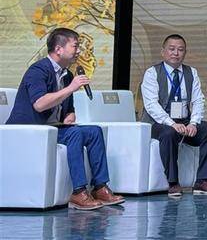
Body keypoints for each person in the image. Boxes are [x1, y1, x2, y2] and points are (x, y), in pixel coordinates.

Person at [5, 27, 125, 210]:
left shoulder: (67, 74)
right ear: (58, 49)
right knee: (75, 134)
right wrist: (71, 88)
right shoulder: (38, 70)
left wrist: (70, 115)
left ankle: (100, 187)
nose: (78, 51)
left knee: (94, 131)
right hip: (29, 130)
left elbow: (68, 109)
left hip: (52, 128)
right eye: (75, 46)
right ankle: (78, 192)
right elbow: (39, 104)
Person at [140, 34, 207, 197]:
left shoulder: (191, 72)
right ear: (163, 52)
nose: (176, 53)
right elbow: (151, 105)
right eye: (171, 49)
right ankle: (173, 182)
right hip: (159, 123)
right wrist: (171, 123)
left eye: (180, 50)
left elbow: (198, 100)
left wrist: (193, 123)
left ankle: (202, 180)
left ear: (185, 53)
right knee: (169, 133)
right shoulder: (152, 73)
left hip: (184, 121)